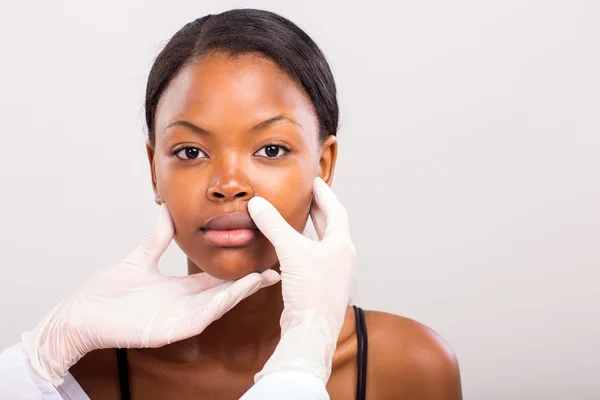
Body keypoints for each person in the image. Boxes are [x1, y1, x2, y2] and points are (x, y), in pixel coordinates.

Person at [1, 8, 462, 399]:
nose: (228, 184)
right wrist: (37, 358)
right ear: (153, 169)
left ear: (324, 164)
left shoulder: (411, 367)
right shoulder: (80, 373)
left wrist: (305, 353)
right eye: (191, 152)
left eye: (271, 149)